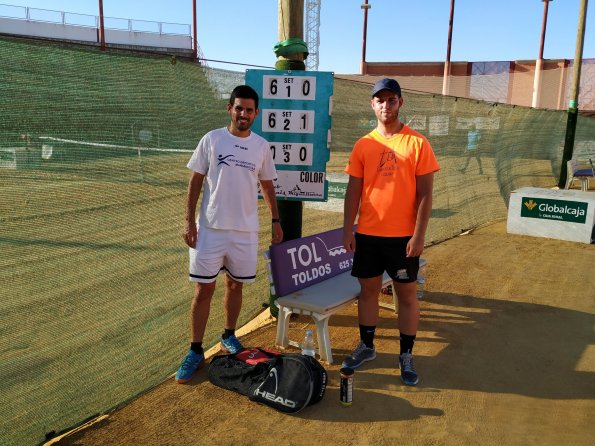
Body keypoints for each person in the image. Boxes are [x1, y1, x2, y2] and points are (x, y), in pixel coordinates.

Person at [175, 85, 283, 384]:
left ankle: (229, 335)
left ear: (256, 113)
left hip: (245, 232)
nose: (244, 114)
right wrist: (188, 221)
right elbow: (195, 182)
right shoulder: (212, 139)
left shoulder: (261, 146)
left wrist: (276, 220)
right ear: (229, 109)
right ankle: (195, 350)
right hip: (209, 230)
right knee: (203, 290)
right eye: (239, 108)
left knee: (236, 287)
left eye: (249, 110)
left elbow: (267, 185)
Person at [342, 78, 440, 386]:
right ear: (372, 104)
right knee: (368, 292)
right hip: (369, 235)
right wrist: (348, 229)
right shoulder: (363, 145)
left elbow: (425, 194)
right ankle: (367, 347)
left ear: (400, 103)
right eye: (380, 100)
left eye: (391, 99)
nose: (386, 105)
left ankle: (406, 354)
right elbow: (353, 191)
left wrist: (419, 234)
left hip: (403, 238)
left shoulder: (417, 143)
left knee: (406, 294)